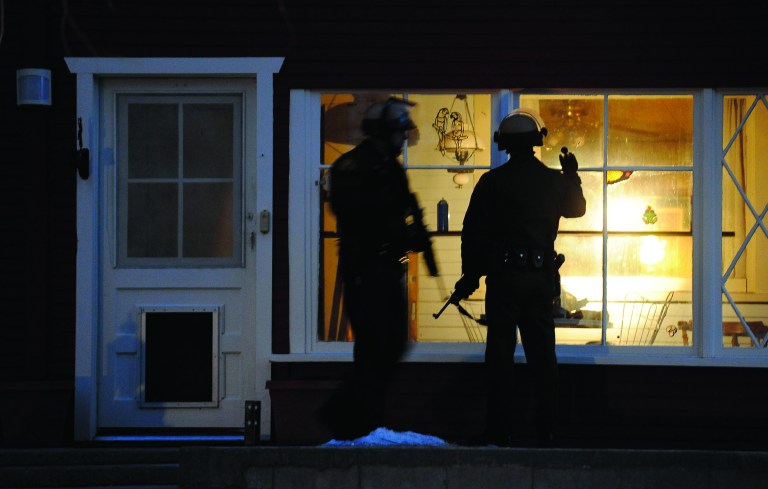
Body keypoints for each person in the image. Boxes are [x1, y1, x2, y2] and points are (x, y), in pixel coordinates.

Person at [450, 108, 586, 447]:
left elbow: (473, 233)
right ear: (536, 142)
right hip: (540, 282)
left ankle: (499, 431)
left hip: (504, 281)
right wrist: (572, 176)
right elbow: (577, 208)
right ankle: (548, 432)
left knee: (500, 357)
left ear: (504, 144)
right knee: (543, 358)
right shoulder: (553, 181)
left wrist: (471, 276)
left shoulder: (492, 183)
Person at [320, 97, 436, 439]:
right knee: (376, 346)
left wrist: (413, 235)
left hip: (383, 268)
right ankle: (348, 419)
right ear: (384, 133)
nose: (404, 139)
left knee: (390, 345)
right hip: (366, 269)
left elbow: (401, 211)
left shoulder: (386, 167)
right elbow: (360, 216)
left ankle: (360, 420)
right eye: (400, 133)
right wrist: (402, 232)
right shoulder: (355, 168)